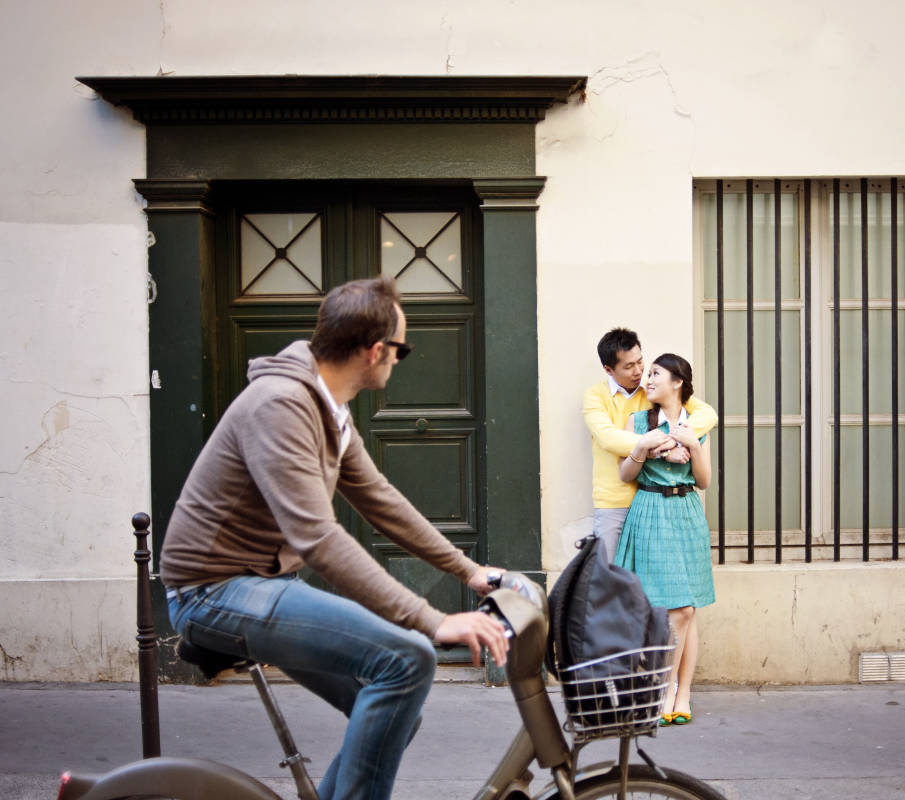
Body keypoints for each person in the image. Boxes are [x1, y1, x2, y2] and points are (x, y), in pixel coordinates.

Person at [159, 277, 508, 800]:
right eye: (402, 350)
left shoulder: (329, 407)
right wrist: (433, 620)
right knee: (408, 659)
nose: (398, 360)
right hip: (212, 591)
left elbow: (379, 499)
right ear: (376, 351)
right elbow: (318, 536)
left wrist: (468, 570)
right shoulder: (280, 404)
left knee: (395, 713)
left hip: (260, 582)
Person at [614, 353, 714, 727]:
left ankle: (681, 693)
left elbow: (703, 482)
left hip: (686, 512)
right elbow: (626, 474)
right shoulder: (638, 421)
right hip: (651, 509)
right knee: (677, 610)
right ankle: (665, 688)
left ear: (678, 382)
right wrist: (641, 448)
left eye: (656, 373)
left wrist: (694, 445)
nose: (648, 378)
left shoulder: (696, 424)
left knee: (688, 609)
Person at [582, 328, 717, 560]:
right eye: (628, 366)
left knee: (648, 578)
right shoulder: (595, 397)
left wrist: (676, 442)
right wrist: (660, 451)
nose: (638, 371)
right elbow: (608, 438)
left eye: (640, 361)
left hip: (654, 503)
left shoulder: (653, 390)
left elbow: (707, 414)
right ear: (608, 369)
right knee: (609, 575)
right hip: (615, 500)